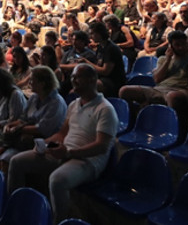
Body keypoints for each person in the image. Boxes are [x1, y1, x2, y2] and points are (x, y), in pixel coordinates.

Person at [6, 64, 117, 223]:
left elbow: (102, 146)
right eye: (72, 77)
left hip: (88, 161)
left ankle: (59, 221)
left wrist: (69, 153)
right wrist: (45, 144)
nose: (72, 80)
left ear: (92, 80)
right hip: (66, 151)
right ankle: (17, 212)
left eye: (77, 77)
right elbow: (61, 134)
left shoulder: (105, 109)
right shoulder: (74, 105)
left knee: (57, 179)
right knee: (16, 162)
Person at [0, 66, 67, 171]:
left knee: (6, 160)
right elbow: (23, 119)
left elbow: (43, 130)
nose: (29, 83)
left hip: (43, 142)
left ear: (42, 83)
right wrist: (10, 125)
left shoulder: (56, 102)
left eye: (32, 81)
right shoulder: (34, 97)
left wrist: (18, 129)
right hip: (25, 138)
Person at [119, 31, 188, 111]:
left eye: (183, 44)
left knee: (171, 96)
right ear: (170, 46)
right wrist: (168, 59)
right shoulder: (162, 59)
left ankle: (170, 121)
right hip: (159, 89)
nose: (181, 47)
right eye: (177, 45)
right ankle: (136, 119)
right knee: (124, 91)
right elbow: (157, 79)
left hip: (180, 90)